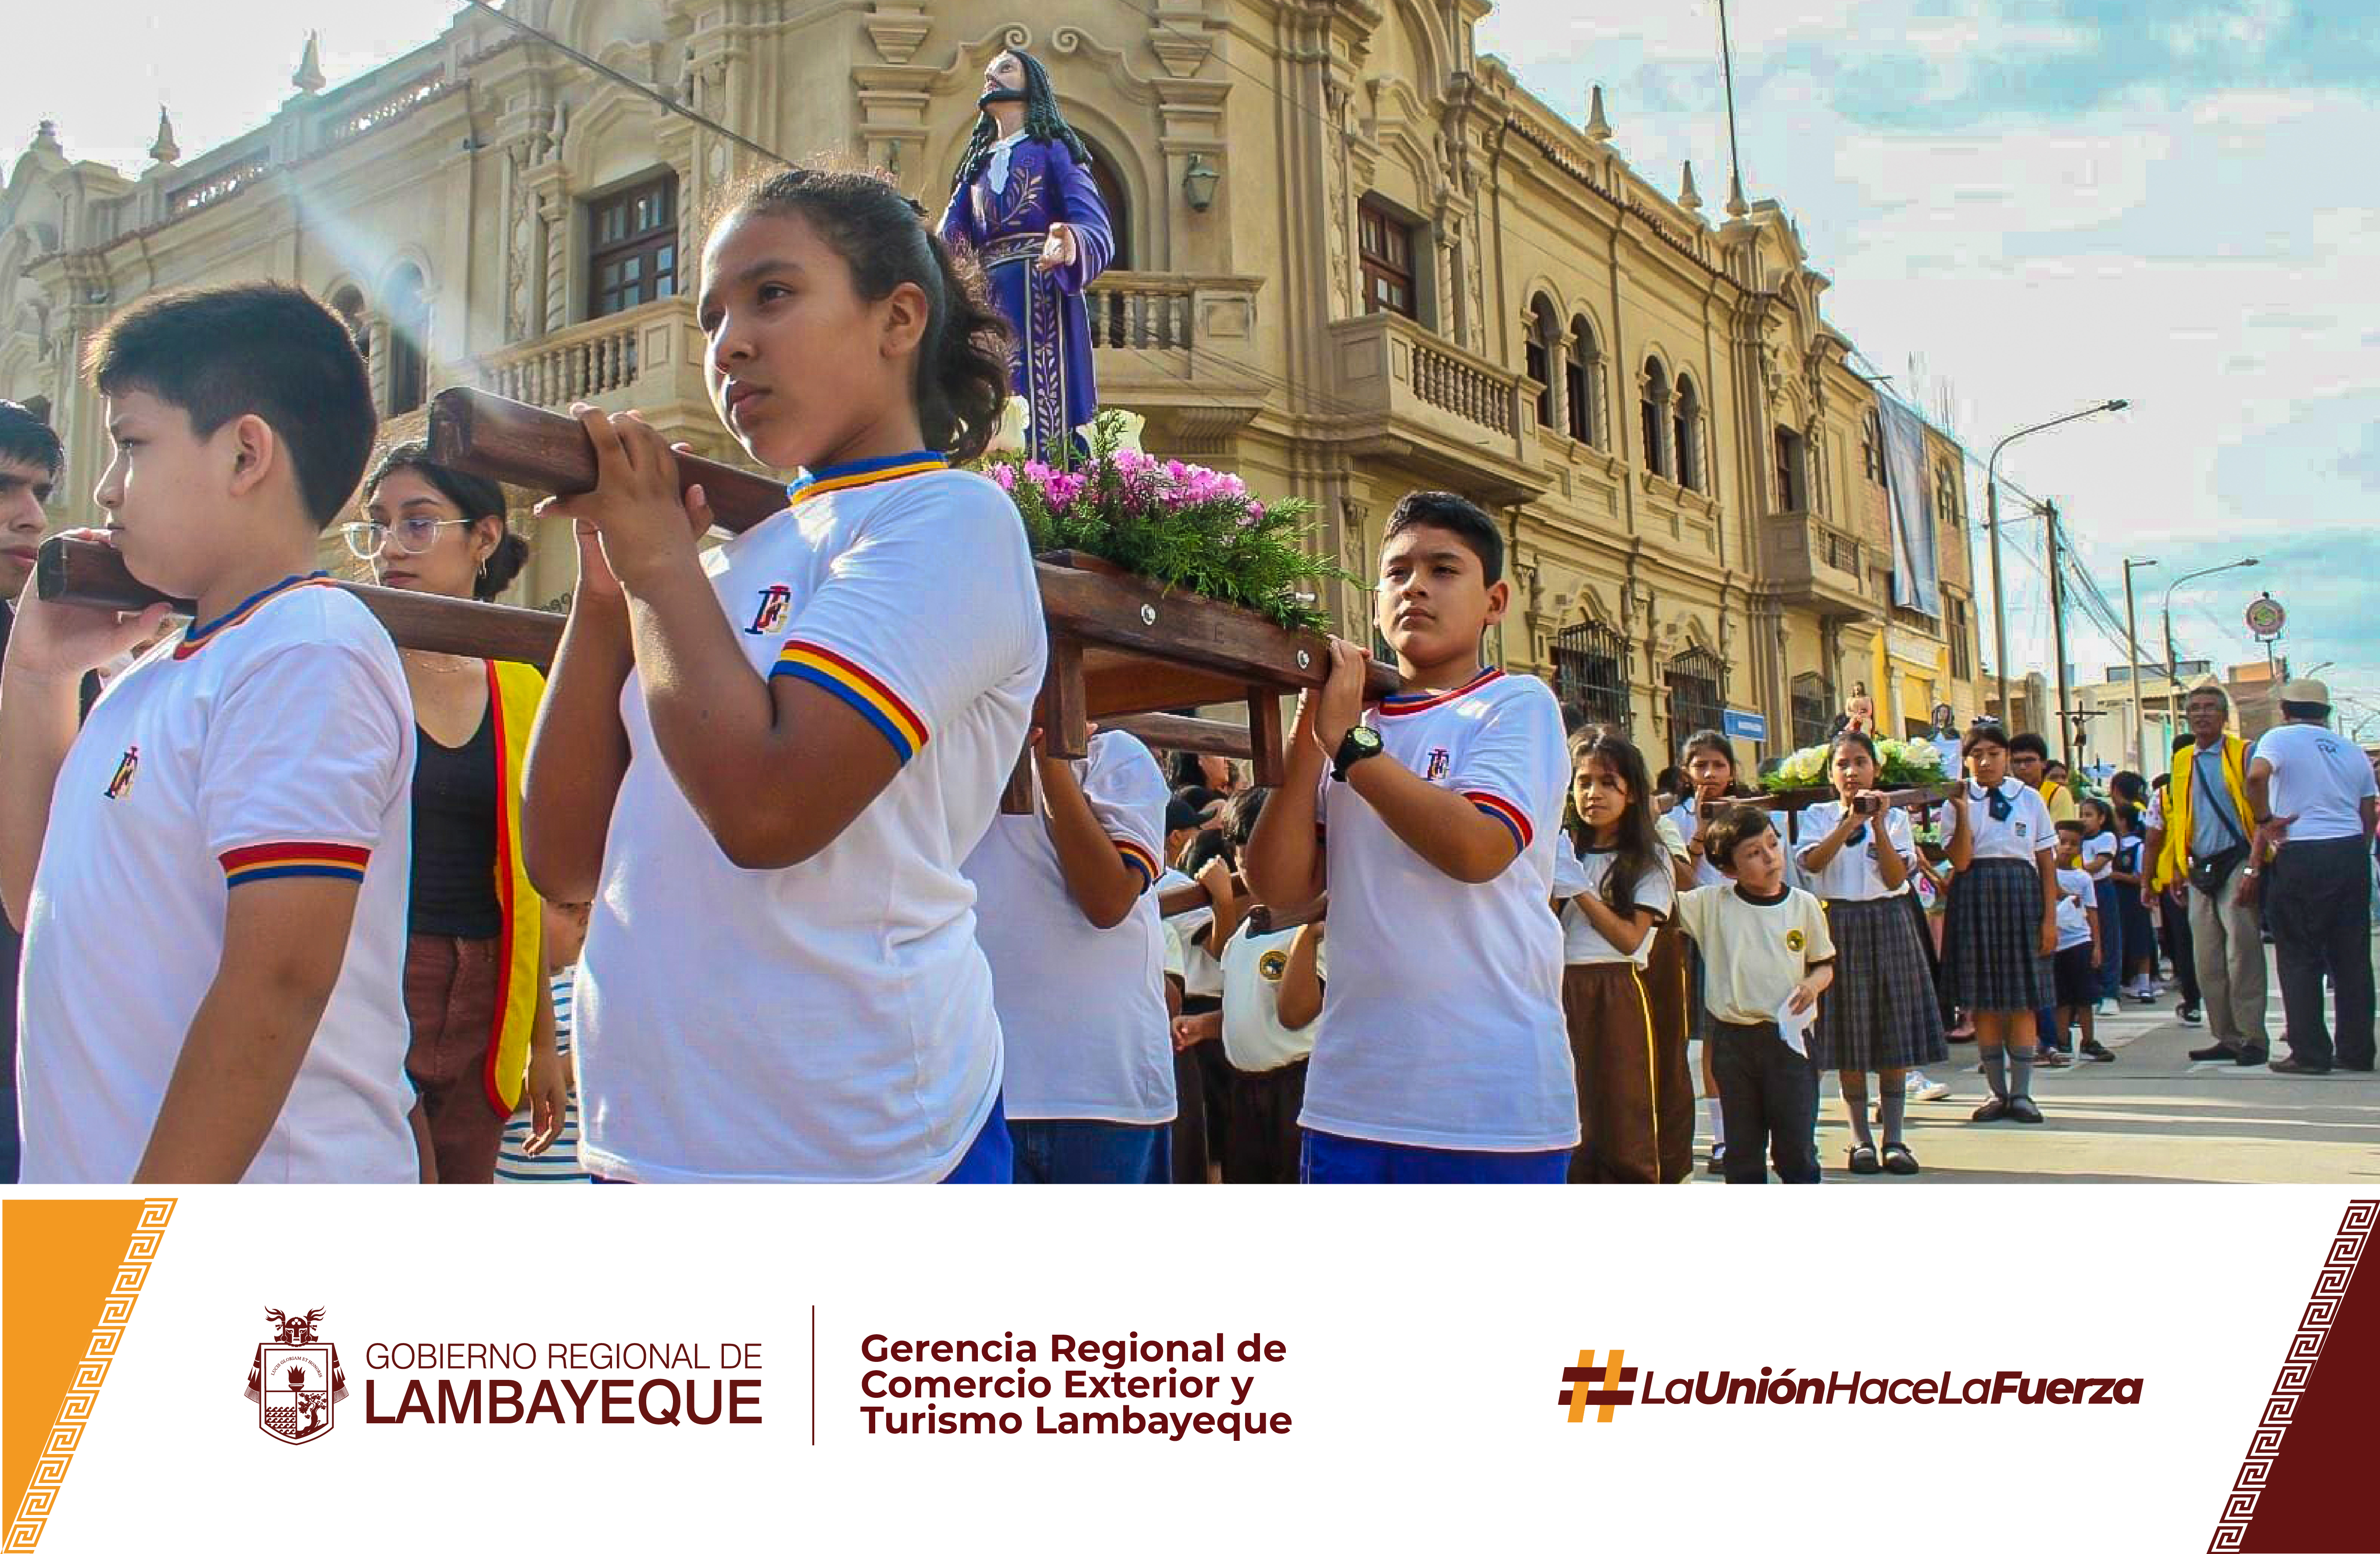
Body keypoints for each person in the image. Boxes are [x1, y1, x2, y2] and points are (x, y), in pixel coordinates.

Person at [522, 166, 1038, 1183]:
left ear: (898, 319)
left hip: (862, 1146)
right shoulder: (713, 561)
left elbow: (768, 813)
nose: (729, 344)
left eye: (773, 294)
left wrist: (660, 567)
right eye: (713, 314)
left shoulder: (948, 521)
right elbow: (566, 862)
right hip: (646, 1136)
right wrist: (606, 596)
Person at [0, 282, 416, 1182]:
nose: (105, 488)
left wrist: (144, 1250)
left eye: (132, 444)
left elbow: (277, 983)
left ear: (244, 453)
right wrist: (38, 679)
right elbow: (41, 901)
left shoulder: (306, 649)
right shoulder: (149, 675)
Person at [1244, 491, 1571, 1184]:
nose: (1415, 586)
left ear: (1495, 600)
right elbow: (1277, 886)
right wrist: (1312, 728)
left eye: (1444, 570)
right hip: (1353, 1102)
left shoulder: (1517, 705)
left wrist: (1351, 745)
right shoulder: (1351, 723)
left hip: (1492, 1108)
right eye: (1395, 572)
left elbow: (1478, 848)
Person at [351, 443, 564, 1183]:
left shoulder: (521, 681)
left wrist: (542, 1042)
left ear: (485, 537)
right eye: (378, 525)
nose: (388, 548)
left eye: (418, 523)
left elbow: (529, 883)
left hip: (489, 990)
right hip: (376, 976)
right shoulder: (354, 665)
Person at [964, 725, 1175, 1182]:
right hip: (980, 1093)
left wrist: (1052, 763)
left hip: (1103, 1092)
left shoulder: (1113, 754)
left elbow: (1109, 900)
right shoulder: (959, 756)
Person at [938, 47, 1113, 463]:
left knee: (1041, 404)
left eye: (1005, 68)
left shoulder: (1052, 148)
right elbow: (950, 240)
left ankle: (1048, 480)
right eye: (988, 72)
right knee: (988, 389)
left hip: (1041, 292)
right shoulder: (976, 167)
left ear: (1030, 82)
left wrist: (1069, 240)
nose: (991, 77)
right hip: (985, 301)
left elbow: (1094, 223)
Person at [1797, 730, 1947, 1175]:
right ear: (1830, 773)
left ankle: (1896, 1138)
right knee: (1848, 1033)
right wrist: (1849, 821)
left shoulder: (1896, 819)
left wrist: (1878, 823)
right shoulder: (1818, 816)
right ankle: (1860, 1138)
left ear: (1875, 769)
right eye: (1842, 764)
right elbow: (1812, 864)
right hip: (1837, 922)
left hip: (1887, 919)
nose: (1851, 772)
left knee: (1892, 1030)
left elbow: (1893, 877)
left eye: (1860, 762)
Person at [1173, 789, 1328, 1184]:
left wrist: (1306, 936)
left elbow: (1294, 1014)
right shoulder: (1247, 930)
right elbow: (1249, 1004)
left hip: (1296, 1088)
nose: (1245, 860)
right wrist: (1206, 1026)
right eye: (1238, 847)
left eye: (1256, 847)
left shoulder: (1318, 921)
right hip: (1243, 1089)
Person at [1674, 806, 1836, 1184]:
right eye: (1753, 853)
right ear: (1729, 870)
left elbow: (1824, 963)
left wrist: (1812, 984)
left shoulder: (1803, 905)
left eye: (1772, 845)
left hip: (1789, 1042)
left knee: (1796, 1148)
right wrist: (1695, 840)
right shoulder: (1711, 904)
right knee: (1743, 1151)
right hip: (1734, 1042)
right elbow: (1670, 889)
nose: (1769, 858)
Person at [1552, 727, 1679, 1183]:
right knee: (1570, 1106)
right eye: (1583, 782)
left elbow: (1628, 938)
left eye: (1607, 783)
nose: (1593, 794)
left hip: (1615, 989)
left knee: (1622, 1108)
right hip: (1557, 988)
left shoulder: (1647, 858)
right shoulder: (1562, 847)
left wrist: (1579, 889)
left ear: (1631, 791)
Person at [2248, 680, 2378, 1074]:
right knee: (2352, 957)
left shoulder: (2279, 738)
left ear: (2285, 710)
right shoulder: (2351, 750)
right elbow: (2368, 810)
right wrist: (2357, 850)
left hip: (2302, 851)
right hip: (2348, 851)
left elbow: (2256, 778)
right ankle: (2357, 1051)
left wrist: (2264, 820)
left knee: (2299, 954)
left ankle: (2310, 1053)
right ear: (2327, 712)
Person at [1941, 721, 2058, 1125]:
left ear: (2006, 756)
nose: (1985, 762)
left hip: (2021, 895)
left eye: (1993, 753)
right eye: (1977, 755)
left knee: (2022, 1000)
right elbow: (1959, 861)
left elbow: (2045, 862)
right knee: (1985, 1002)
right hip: (1974, 894)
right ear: (1965, 760)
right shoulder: (1955, 800)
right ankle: (1996, 1091)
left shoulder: (2029, 799)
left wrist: (2049, 920)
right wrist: (1959, 811)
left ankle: (2023, 1093)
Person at [2144, 687, 2267, 1065]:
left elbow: (2264, 814)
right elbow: (2180, 816)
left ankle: (2252, 1038)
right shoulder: (2182, 760)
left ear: (2224, 715)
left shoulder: (2244, 753)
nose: (2200, 715)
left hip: (2236, 860)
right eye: (2193, 709)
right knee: (2206, 959)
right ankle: (2225, 1036)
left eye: (2209, 708)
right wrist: (2178, 867)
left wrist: (2254, 866)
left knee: (2242, 953)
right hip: (2199, 866)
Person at [1672, 728, 1744, 1172]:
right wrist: (1699, 831)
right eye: (1700, 765)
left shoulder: (1748, 814)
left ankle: (1757, 1131)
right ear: (1686, 771)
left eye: (1718, 765)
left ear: (1733, 771)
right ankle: (1721, 1139)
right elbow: (1681, 881)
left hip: (1746, 928)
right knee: (1712, 1038)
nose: (1710, 773)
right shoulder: (1674, 818)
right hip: (1700, 932)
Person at [497, 899, 594, 1183]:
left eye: (588, 906)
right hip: (526, 1177)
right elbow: (502, 1091)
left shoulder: (587, 983)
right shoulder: (509, 992)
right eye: (567, 907)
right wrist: (583, 1060)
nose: (585, 917)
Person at [2050, 821, 2113, 1062]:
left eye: (2073, 844)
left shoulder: (2084, 878)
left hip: (2079, 940)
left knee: (2085, 996)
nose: (2067, 848)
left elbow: (2093, 912)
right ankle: (2061, 1039)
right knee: (2061, 997)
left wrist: (2097, 945)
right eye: (2062, 842)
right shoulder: (2043, 873)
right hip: (2054, 942)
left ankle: (2089, 1040)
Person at [2147, 762, 2203, 1024]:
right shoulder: (2223, 787)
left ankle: (2192, 1002)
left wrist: (2147, 881)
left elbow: (2153, 841)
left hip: (2176, 882)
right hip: (2213, 875)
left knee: (2185, 943)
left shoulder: (2163, 795)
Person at [2076, 795, 2125, 1013]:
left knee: (2107, 939)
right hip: (2080, 892)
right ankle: (2092, 991)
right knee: (2085, 941)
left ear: (2102, 818)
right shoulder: (2077, 841)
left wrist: (2076, 872)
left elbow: (2098, 865)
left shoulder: (2107, 838)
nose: (2084, 820)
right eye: (2081, 816)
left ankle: (2110, 992)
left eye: (2089, 816)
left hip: (2101, 889)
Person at [2108, 802, 2159, 1002]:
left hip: (2133, 899)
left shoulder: (2138, 846)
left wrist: (2117, 876)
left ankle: (2145, 983)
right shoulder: (2111, 843)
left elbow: (2141, 876)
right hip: (2117, 899)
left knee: (2141, 939)